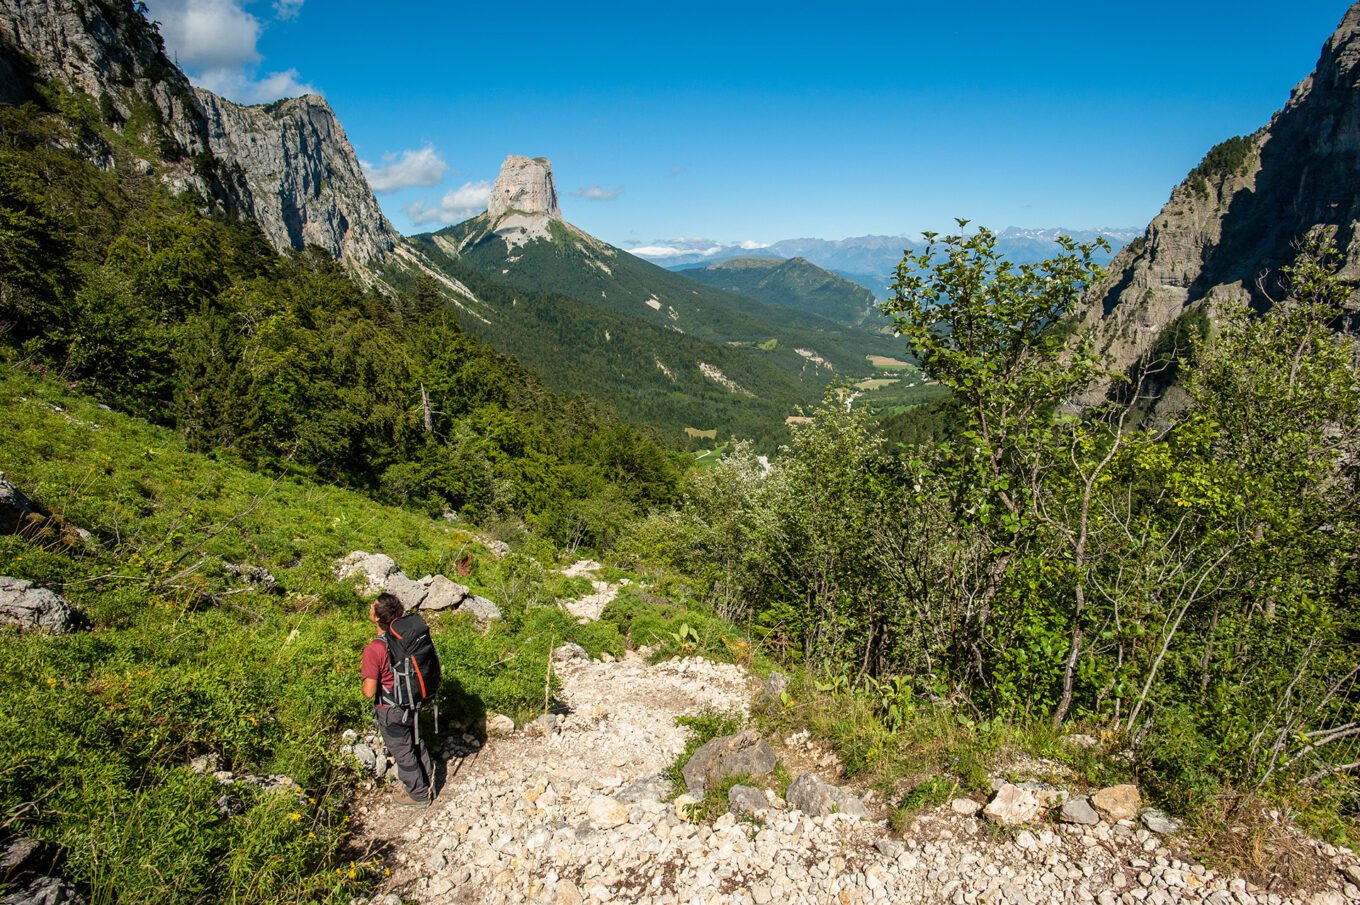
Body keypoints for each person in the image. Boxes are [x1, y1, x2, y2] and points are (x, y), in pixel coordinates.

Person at [362, 593, 434, 808]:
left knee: (403, 752)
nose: (370, 607)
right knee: (416, 741)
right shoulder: (405, 639)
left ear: (377, 618)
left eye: (372, 606)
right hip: (411, 700)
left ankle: (419, 795)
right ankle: (428, 780)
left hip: (390, 708)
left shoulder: (374, 649)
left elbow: (369, 691)